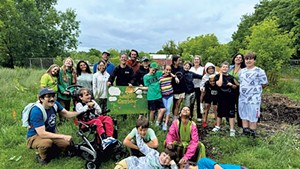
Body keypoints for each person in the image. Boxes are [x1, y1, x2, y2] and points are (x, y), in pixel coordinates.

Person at [26, 88, 80, 164]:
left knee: (66, 143)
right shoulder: (36, 111)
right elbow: (42, 133)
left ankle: (52, 151)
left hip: (50, 133)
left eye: (53, 96)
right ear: (41, 99)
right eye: (48, 97)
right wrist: (63, 136)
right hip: (35, 136)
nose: (52, 99)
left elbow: (66, 114)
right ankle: (42, 157)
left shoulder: (55, 104)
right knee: (46, 143)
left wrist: (81, 111)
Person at [239, 52, 268, 138]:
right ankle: (245, 131)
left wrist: (255, 91)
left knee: (253, 114)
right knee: (244, 113)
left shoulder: (259, 71)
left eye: (250, 59)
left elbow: (264, 83)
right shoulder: (242, 71)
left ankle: (252, 134)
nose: (248, 61)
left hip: (254, 98)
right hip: (243, 97)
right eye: (247, 59)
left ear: (254, 60)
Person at [212, 62, 238, 137]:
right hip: (220, 97)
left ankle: (232, 129)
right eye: (223, 67)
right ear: (221, 68)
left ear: (228, 68)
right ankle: (218, 126)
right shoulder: (217, 76)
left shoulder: (231, 77)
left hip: (230, 97)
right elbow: (219, 84)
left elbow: (236, 86)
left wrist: (232, 85)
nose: (225, 68)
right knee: (219, 113)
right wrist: (221, 74)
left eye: (226, 67)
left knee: (231, 113)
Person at [142, 62, 166, 127]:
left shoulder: (158, 74)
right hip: (151, 96)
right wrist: (140, 88)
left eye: (155, 70)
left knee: (162, 109)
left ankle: (157, 122)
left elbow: (166, 71)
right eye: (153, 69)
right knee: (152, 111)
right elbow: (146, 87)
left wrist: (174, 76)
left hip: (158, 95)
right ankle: (151, 123)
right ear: (149, 68)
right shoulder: (146, 77)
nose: (154, 71)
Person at [159, 65, 179, 131]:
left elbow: (174, 76)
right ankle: (161, 122)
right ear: (164, 70)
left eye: (169, 70)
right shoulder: (160, 78)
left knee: (168, 108)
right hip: (163, 96)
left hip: (170, 95)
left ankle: (165, 124)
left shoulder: (170, 76)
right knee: (164, 109)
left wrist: (175, 77)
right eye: (166, 70)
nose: (168, 71)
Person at [229, 53, 246, 128]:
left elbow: (245, 82)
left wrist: (236, 84)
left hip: (239, 90)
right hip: (229, 89)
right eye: (236, 57)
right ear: (234, 58)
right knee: (229, 106)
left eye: (240, 58)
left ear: (242, 60)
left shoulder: (244, 70)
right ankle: (230, 122)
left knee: (239, 106)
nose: (238, 59)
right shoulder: (230, 67)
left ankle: (240, 124)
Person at [190, 55, 205, 122]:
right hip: (192, 87)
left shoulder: (202, 68)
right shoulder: (190, 69)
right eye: (195, 59)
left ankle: (199, 116)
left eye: (198, 59)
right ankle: (190, 115)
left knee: (199, 102)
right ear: (193, 61)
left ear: (200, 61)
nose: (196, 61)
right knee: (191, 102)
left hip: (200, 87)